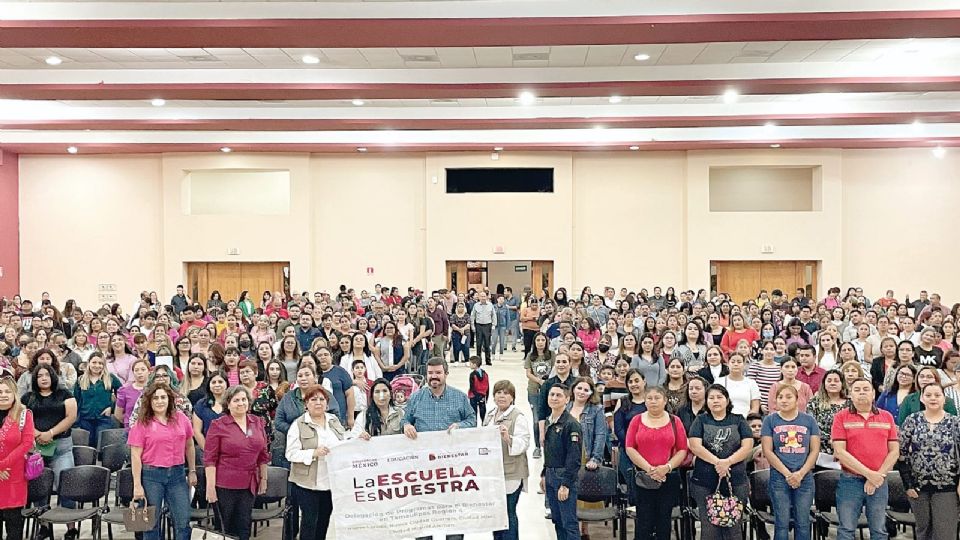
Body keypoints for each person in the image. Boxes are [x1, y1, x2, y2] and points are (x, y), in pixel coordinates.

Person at [402, 357, 477, 540]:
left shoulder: (459, 397)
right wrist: (406, 425)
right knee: (423, 518)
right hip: (423, 469)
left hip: (451, 468)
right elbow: (405, 419)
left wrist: (460, 426)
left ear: (446, 374)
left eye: (438, 373)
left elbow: (472, 420)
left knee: (453, 519)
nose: (434, 376)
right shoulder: (416, 397)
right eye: (430, 373)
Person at [831, 378, 900, 540]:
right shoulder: (841, 417)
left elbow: (894, 452)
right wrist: (869, 474)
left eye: (866, 389)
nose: (862, 392)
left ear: (873, 394)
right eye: (857, 389)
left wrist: (878, 476)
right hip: (850, 481)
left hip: (879, 482)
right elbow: (839, 452)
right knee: (847, 529)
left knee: (879, 530)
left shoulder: (887, 417)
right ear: (850, 395)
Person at [130, 382, 198, 540]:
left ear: (169, 399)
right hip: (151, 476)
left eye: (163, 397)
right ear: (149, 401)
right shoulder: (142, 423)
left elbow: (189, 446)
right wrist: (137, 485)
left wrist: (193, 470)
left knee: (183, 521)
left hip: (177, 475)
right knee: (150, 524)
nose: (159, 401)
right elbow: (135, 456)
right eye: (155, 398)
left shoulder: (181, 418)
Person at [687, 384, 754, 540]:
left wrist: (728, 462)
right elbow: (695, 446)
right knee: (709, 528)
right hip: (704, 481)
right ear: (706, 401)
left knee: (733, 527)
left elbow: (748, 446)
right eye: (711, 398)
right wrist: (718, 462)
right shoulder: (701, 420)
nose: (715, 401)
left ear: (727, 400)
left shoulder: (738, 420)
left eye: (719, 397)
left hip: (735, 481)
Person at [895, 381, 960, 540]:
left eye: (937, 395)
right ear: (922, 399)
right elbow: (900, 453)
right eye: (928, 395)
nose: (933, 398)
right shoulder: (912, 420)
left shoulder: (955, 423)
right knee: (923, 530)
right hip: (917, 487)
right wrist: (907, 484)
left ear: (945, 399)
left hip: (948, 486)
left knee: (945, 532)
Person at [204, 386, 270, 540]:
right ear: (228, 403)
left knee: (244, 526)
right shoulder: (218, 425)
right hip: (224, 485)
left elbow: (263, 454)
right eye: (236, 400)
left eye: (244, 399)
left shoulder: (257, 422)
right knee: (224, 529)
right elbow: (210, 459)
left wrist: (264, 478)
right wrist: (210, 488)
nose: (241, 403)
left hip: (248, 485)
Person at [624, 386, 688, 540]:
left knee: (664, 521)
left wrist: (666, 468)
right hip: (643, 478)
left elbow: (682, 449)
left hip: (668, 478)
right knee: (643, 521)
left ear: (665, 400)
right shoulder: (636, 420)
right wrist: (650, 469)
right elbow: (630, 447)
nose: (653, 401)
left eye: (657, 398)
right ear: (645, 401)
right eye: (649, 398)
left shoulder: (675, 421)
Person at [23, 364, 78, 540]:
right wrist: (37, 433)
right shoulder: (28, 397)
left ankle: (71, 528)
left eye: (47, 374)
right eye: (40, 376)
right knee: (40, 487)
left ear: (53, 376)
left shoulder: (65, 394)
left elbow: (71, 417)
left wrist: (50, 433)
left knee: (67, 484)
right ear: (35, 379)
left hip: (61, 446)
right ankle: (44, 526)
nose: (44, 378)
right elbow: (22, 418)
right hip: (37, 448)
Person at [285, 385, 346, 540]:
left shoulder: (334, 420)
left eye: (322, 399)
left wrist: (358, 439)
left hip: (330, 483)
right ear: (306, 404)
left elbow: (344, 443)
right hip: (307, 484)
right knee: (309, 523)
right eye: (313, 399)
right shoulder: (298, 424)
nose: (318, 402)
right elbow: (290, 453)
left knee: (324, 522)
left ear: (327, 403)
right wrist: (313, 453)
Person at [761, 385, 820, 540]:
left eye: (788, 397)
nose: (784, 400)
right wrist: (788, 474)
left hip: (804, 477)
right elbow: (768, 451)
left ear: (797, 399)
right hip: (779, 478)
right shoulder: (770, 420)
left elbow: (814, 450)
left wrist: (800, 474)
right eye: (780, 397)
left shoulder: (809, 420)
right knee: (781, 522)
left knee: (803, 522)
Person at [482, 380, 530, 540]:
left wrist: (508, 438)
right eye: (498, 392)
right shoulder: (489, 415)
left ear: (512, 397)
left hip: (512, 473)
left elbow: (524, 443)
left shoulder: (518, 416)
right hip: (493, 472)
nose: (501, 396)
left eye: (506, 393)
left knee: (508, 513)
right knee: (496, 515)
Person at [540, 383, 582, 540]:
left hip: (564, 476)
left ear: (567, 399)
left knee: (569, 523)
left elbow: (574, 457)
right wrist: (544, 474)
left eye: (559, 395)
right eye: (552, 395)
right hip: (551, 475)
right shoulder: (549, 421)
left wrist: (565, 484)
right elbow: (550, 452)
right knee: (557, 520)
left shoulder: (571, 425)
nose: (554, 398)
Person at [0, 376, 34, 540]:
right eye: (0, 391)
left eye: (7, 391)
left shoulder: (24, 414)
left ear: (15, 393)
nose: (3, 395)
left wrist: (3, 464)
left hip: (14, 476)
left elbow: (27, 443)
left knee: (14, 526)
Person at [73, 352, 121, 448]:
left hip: (103, 419)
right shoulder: (80, 380)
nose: (97, 365)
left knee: (101, 445)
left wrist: (111, 408)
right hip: (85, 419)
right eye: (94, 362)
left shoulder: (110, 378)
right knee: (88, 446)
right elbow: (76, 401)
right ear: (89, 363)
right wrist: (76, 421)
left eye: (100, 363)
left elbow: (122, 395)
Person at [524, 332, 554, 459]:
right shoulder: (530, 356)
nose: (540, 342)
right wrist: (540, 381)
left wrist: (547, 382)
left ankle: (549, 445)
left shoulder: (552, 355)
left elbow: (554, 369)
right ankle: (537, 447)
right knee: (537, 419)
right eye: (538, 340)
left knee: (549, 419)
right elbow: (528, 373)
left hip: (549, 390)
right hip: (534, 391)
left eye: (543, 340)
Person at [467, 355, 489, 419]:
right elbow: (487, 386)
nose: (469, 365)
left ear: (474, 364)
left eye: (470, 363)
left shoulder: (472, 375)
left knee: (474, 412)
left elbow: (472, 387)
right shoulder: (485, 374)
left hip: (473, 396)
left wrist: (476, 395)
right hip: (482, 395)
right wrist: (486, 397)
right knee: (483, 411)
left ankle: (474, 424)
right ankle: (483, 423)